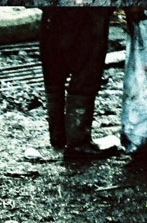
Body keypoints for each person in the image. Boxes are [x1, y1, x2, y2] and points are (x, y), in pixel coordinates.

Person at [39, 7, 113, 160]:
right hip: (88, 13)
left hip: (55, 14)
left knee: (54, 70)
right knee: (86, 69)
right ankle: (78, 141)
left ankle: (59, 135)